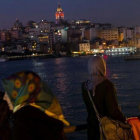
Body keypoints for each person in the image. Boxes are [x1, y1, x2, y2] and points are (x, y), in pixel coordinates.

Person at [2, 71, 70, 140]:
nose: (4, 97)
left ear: (22, 92)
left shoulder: (23, 118)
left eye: (9, 92)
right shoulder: (46, 112)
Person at [81, 56, 126, 140]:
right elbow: (113, 111)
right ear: (102, 66)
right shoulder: (106, 84)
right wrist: (124, 121)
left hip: (92, 130)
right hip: (106, 131)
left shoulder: (85, 86)